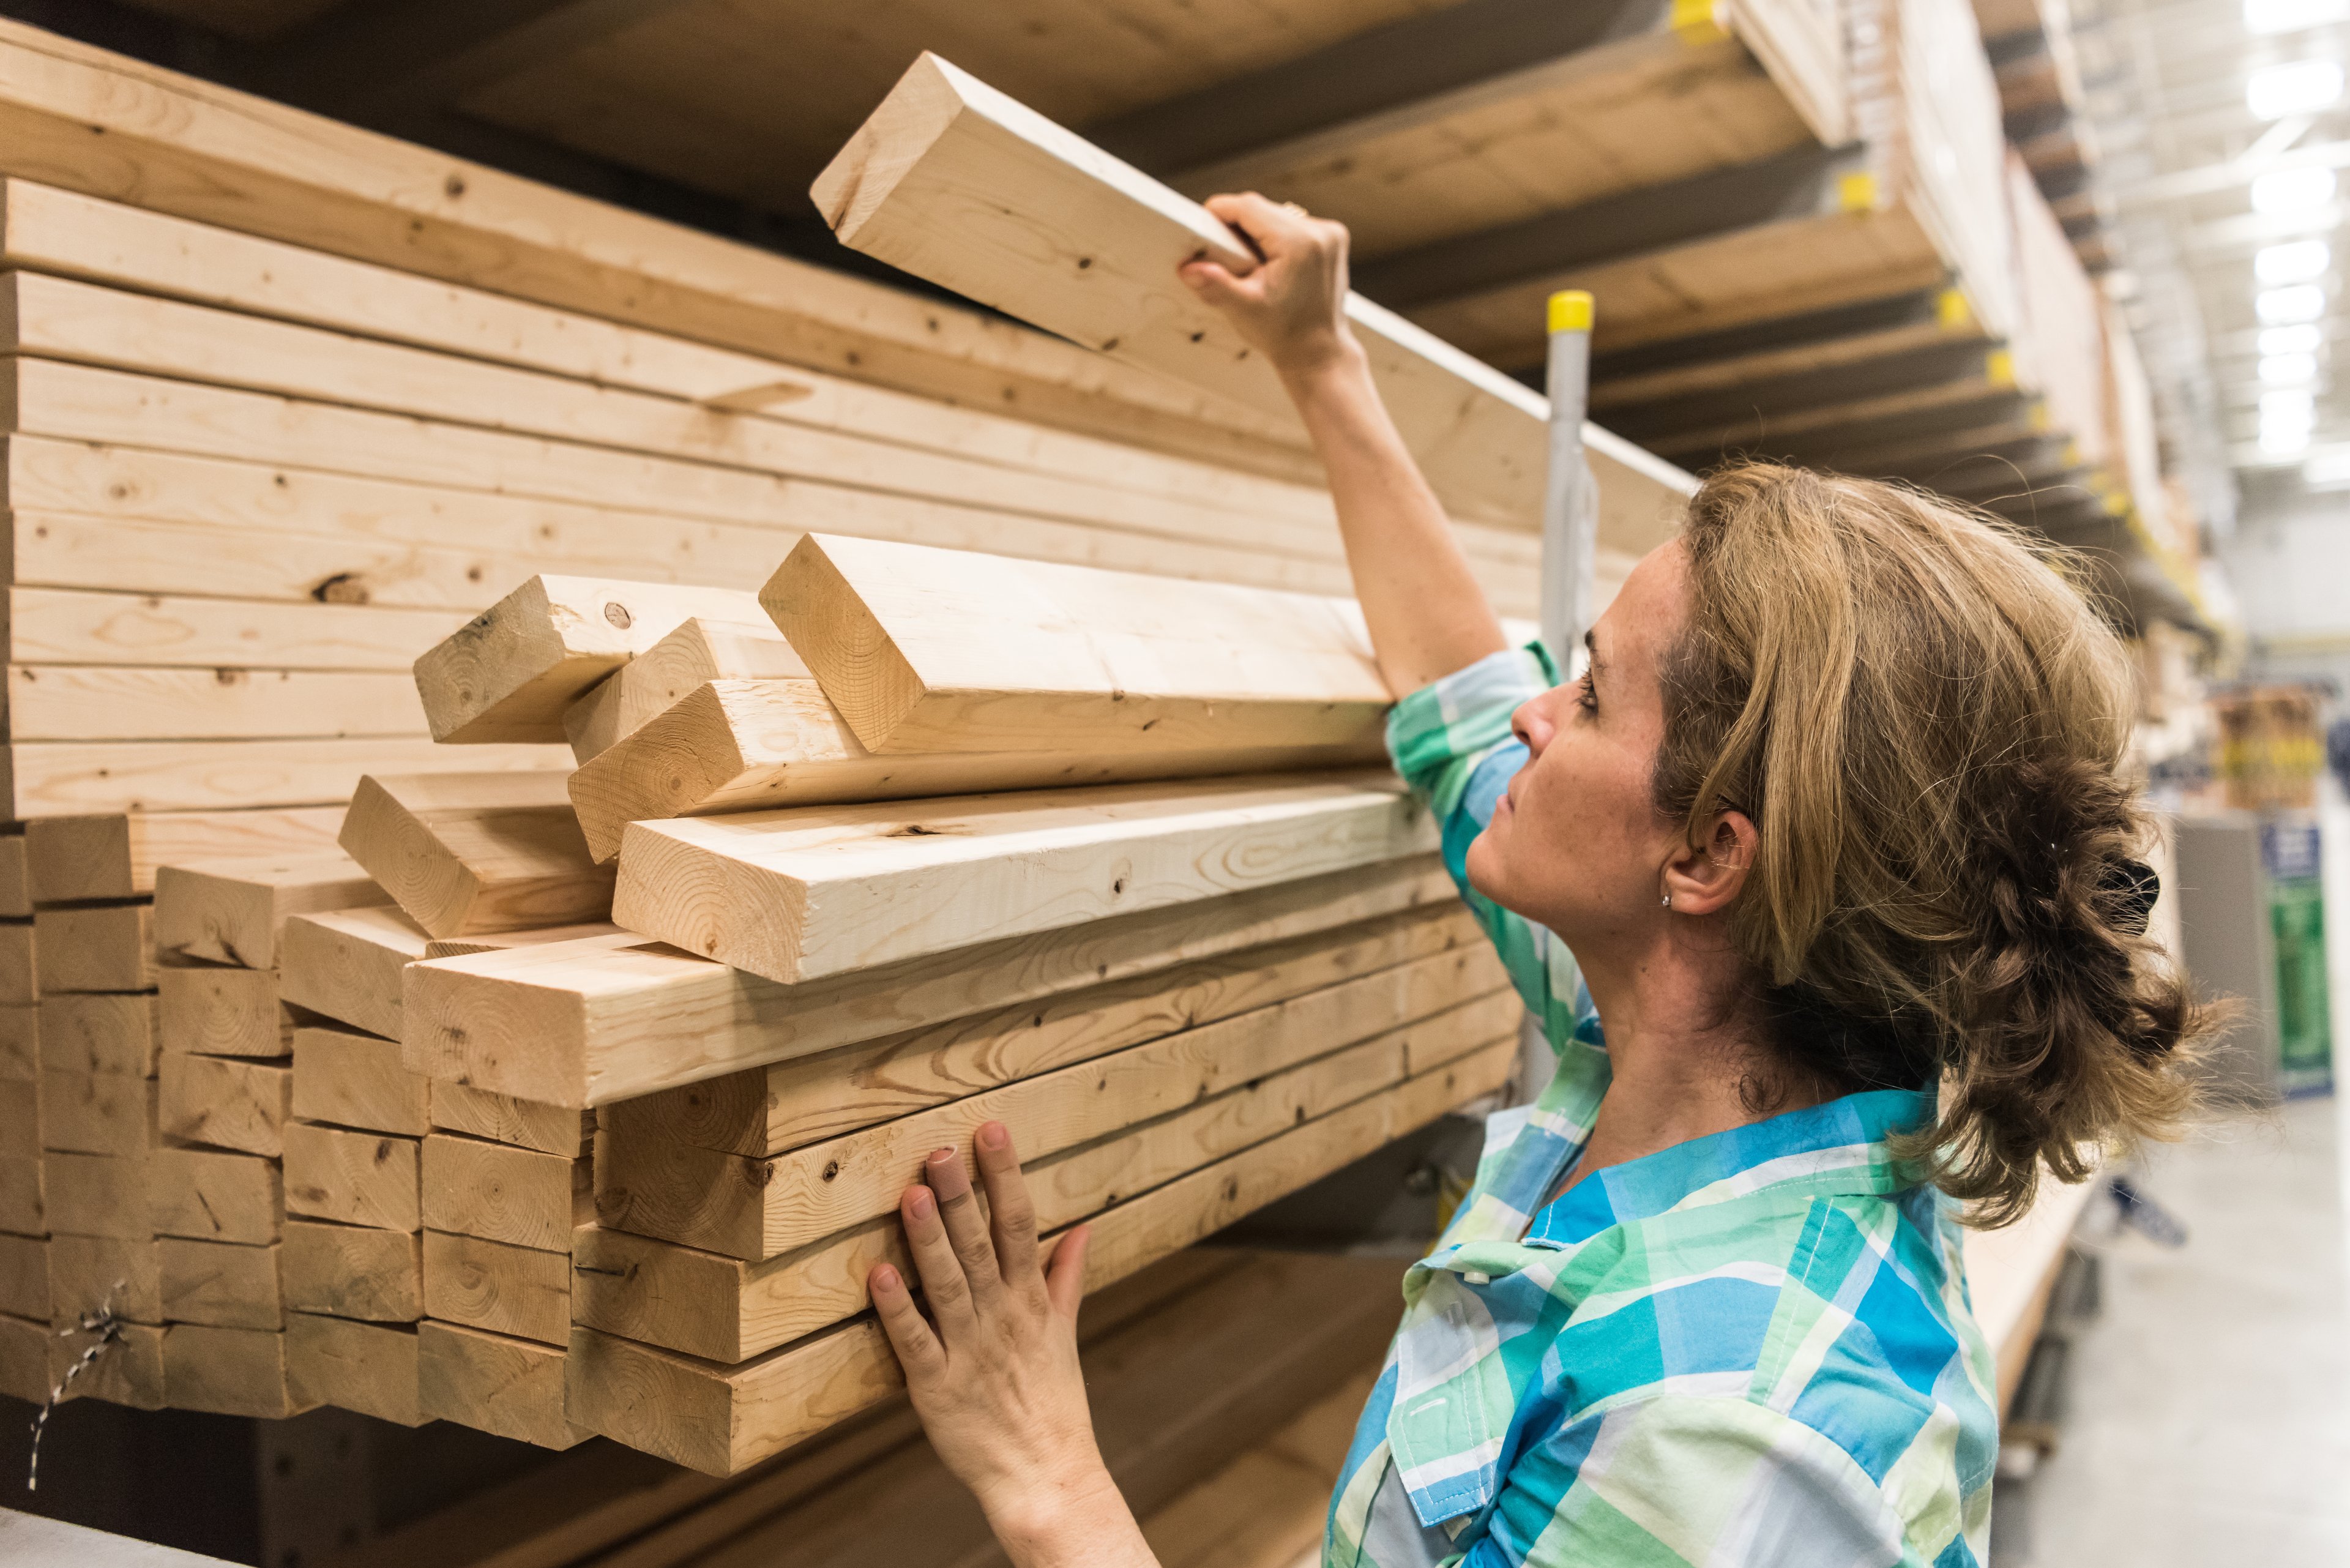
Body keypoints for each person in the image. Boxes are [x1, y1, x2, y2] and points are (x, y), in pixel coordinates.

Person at [862, 196, 2212, 1568]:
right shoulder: (1684, 1042)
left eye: (1589, 691)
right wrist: (1321, 362)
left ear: (1704, 859)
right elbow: (1463, 702)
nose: (1531, 715)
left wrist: (1046, 1475)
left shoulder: (1718, 1437)